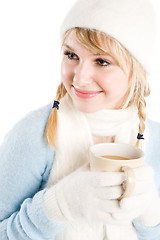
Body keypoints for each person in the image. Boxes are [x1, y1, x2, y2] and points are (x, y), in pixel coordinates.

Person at [0, 0, 160, 239]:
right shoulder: (35, 134)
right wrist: (58, 206)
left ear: (136, 72)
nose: (80, 77)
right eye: (71, 55)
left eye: (102, 61)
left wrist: (151, 218)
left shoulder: (154, 140)